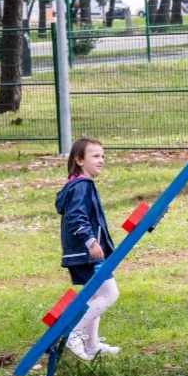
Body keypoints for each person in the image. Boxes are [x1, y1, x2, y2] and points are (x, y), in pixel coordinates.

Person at [56, 137, 121, 361]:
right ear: (79, 160)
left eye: (103, 156)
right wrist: (91, 242)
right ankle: (74, 333)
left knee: (95, 294)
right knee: (110, 293)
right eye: (95, 156)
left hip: (82, 253)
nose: (101, 160)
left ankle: (92, 345)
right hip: (85, 253)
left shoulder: (78, 185)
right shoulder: (81, 186)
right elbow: (76, 217)